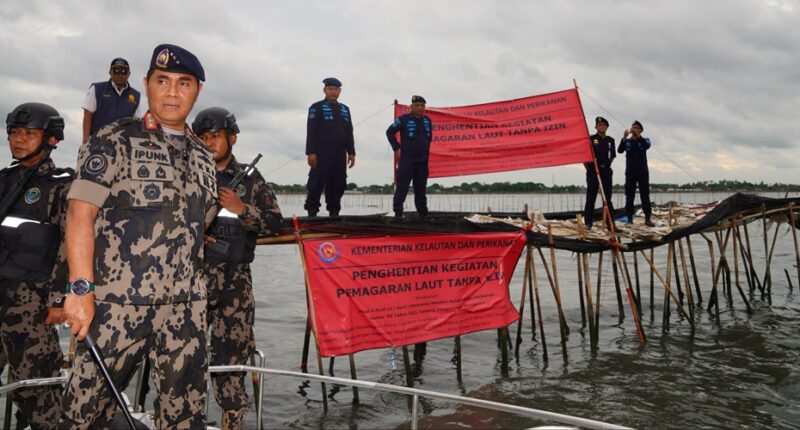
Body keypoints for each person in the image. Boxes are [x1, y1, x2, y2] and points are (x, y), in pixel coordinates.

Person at [60, 44, 217, 429]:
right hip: (117, 306)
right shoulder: (114, 138)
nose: (172, 92)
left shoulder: (203, 155)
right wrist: (80, 289)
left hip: (186, 310)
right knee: (84, 414)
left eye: (184, 83)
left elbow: (201, 224)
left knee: (184, 417)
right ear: (146, 85)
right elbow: (80, 213)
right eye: (162, 81)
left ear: (197, 90)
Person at [192, 107, 282, 429]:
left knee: (231, 366)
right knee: (184, 363)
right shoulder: (187, 176)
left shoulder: (251, 179)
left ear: (232, 137)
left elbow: (274, 222)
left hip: (234, 286)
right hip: (191, 285)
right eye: (202, 138)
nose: (208, 143)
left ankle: (233, 423)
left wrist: (242, 209)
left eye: (214, 136)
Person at [0, 102, 70, 428]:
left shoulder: (61, 185)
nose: (19, 139)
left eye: (29, 133)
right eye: (15, 132)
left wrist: (59, 299)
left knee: (38, 391)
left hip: (32, 304)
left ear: (51, 139)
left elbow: (70, 245)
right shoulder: (5, 181)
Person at [304, 77, 355, 217]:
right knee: (316, 183)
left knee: (338, 183)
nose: (333, 92)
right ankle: (312, 212)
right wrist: (311, 152)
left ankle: (334, 212)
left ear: (340, 91)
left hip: (339, 154)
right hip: (321, 152)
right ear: (324, 90)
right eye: (330, 89)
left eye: (335, 89)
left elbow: (349, 131)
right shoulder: (316, 107)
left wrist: (351, 152)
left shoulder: (345, 109)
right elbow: (311, 130)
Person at [386, 95, 433, 221]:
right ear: (411, 107)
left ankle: (423, 214)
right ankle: (398, 212)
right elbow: (389, 132)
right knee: (402, 188)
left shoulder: (428, 120)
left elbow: (429, 139)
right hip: (407, 161)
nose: (420, 108)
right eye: (417, 105)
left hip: (422, 162)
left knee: (421, 189)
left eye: (422, 105)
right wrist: (397, 148)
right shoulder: (403, 119)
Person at [81, 57, 144, 143]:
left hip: (123, 144)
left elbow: (137, 122)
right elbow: (88, 114)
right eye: (116, 71)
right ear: (110, 72)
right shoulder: (97, 89)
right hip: (97, 141)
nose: (120, 74)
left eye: (123, 71)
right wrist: (85, 140)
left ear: (129, 74)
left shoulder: (136, 95)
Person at [618, 120, 655, 227]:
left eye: (637, 127)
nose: (634, 129)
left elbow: (647, 146)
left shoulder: (645, 140)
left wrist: (638, 136)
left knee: (645, 195)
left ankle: (648, 219)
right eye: (633, 127)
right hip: (630, 172)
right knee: (629, 196)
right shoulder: (627, 141)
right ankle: (629, 219)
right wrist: (624, 138)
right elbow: (620, 150)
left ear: (641, 130)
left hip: (643, 172)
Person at [583, 116, 616, 230]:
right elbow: (585, 158)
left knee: (607, 199)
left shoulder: (610, 140)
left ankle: (610, 223)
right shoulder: (591, 139)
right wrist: (590, 169)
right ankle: (588, 223)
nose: (601, 127)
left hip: (606, 171)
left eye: (604, 125)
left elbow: (612, 157)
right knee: (590, 197)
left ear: (606, 127)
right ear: (596, 127)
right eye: (599, 125)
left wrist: (605, 165)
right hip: (593, 171)